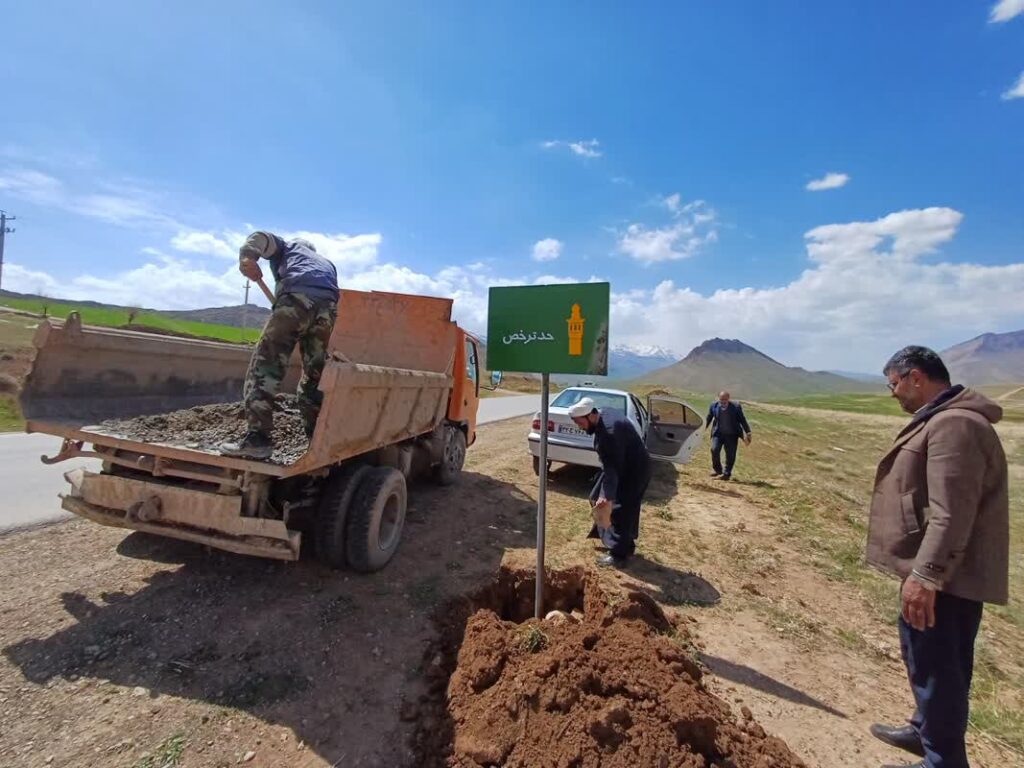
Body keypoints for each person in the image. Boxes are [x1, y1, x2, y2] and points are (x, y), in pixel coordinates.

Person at [867, 346, 1009, 768]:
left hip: (948, 579)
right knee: (924, 657)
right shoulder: (944, 419)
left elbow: (952, 512)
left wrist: (926, 576)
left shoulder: (955, 426)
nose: (893, 393)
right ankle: (924, 731)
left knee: (939, 669)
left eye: (894, 383)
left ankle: (943, 760)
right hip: (942, 572)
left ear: (915, 377)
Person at [221, 231, 340, 459]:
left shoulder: (288, 247)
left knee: (266, 365)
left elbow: (261, 236)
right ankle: (316, 440)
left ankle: (258, 439)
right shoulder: (326, 263)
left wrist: (247, 257)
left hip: (296, 299)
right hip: (327, 309)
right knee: (315, 376)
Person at [568, 397, 652, 568]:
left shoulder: (609, 434)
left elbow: (612, 470)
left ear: (590, 416)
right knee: (595, 498)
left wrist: (608, 496)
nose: (580, 427)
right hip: (623, 467)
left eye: (580, 423)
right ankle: (621, 542)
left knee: (620, 511)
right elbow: (612, 466)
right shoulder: (603, 413)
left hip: (634, 473)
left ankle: (619, 555)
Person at [704, 391, 751, 480]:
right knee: (714, 450)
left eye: (725, 399)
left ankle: (726, 474)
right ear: (718, 398)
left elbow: (742, 420)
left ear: (729, 399)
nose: (723, 401)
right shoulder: (714, 405)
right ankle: (718, 470)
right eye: (721, 399)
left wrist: (748, 432)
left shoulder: (736, 407)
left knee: (730, 455)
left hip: (732, 435)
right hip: (718, 433)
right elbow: (709, 417)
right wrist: (703, 428)